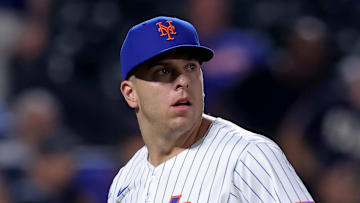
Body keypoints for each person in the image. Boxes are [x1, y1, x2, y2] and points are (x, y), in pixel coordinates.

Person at [108, 16, 314, 203]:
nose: (183, 81)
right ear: (130, 93)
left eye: (191, 67)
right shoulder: (125, 180)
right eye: (163, 71)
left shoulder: (249, 155)